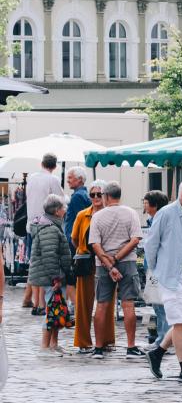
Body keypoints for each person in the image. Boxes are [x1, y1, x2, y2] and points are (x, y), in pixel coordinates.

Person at [145, 178, 182, 383]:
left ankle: (157, 353)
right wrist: (158, 269)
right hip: (171, 276)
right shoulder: (166, 214)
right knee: (179, 322)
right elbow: (150, 245)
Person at [88, 181, 144, 360]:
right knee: (128, 304)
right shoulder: (130, 213)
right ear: (119, 195)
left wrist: (109, 263)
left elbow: (95, 244)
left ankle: (98, 347)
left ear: (105, 196)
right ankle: (130, 346)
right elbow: (135, 239)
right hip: (126, 261)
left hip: (103, 264)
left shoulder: (98, 216)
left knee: (102, 305)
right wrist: (117, 258)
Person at [70, 179, 116, 355]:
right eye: (93, 194)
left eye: (99, 194)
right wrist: (82, 250)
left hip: (105, 261)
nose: (96, 197)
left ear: (105, 195)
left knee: (107, 302)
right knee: (83, 303)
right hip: (86, 261)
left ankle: (106, 340)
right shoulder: (83, 215)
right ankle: (83, 341)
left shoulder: (110, 213)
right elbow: (74, 237)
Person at [28, 194, 72, 357]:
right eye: (62, 207)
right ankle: (45, 346)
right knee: (50, 310)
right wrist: (56, 278)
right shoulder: (50, 229)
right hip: (50, 277)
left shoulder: (52, 225)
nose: (65, 210)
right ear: (56, 211)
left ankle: (54, 344)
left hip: (52, 275)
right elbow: (49, 255)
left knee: (56, 310)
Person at [22, 153, 64, 314]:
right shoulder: (52, 180)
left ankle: (35, 302)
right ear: (54, 166)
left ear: (42, 163)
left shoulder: (32, 178)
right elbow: (60, 200)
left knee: (35, 263)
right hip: (46, 225)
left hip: (31, 225)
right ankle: (40, 304)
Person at [142, 189, 170, 350]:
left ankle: (162, 341)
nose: (144, 206)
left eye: (146, 203)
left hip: (157, 268)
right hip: (155, 267)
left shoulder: (159, 221)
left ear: (155, 205)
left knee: (161, 305)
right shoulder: (153, 220)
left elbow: (154, 247)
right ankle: (162, 339)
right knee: (158, 305)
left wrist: (152, 267)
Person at [64, 166, 91, 310]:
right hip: (77, 241)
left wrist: (75, 242)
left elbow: (79, 221)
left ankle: (77, 306)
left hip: (73, 242)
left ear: (79, 179)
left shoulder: (77, 197)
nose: (68, 180)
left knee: (71, 274)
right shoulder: (84, 195)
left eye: (70, 177)